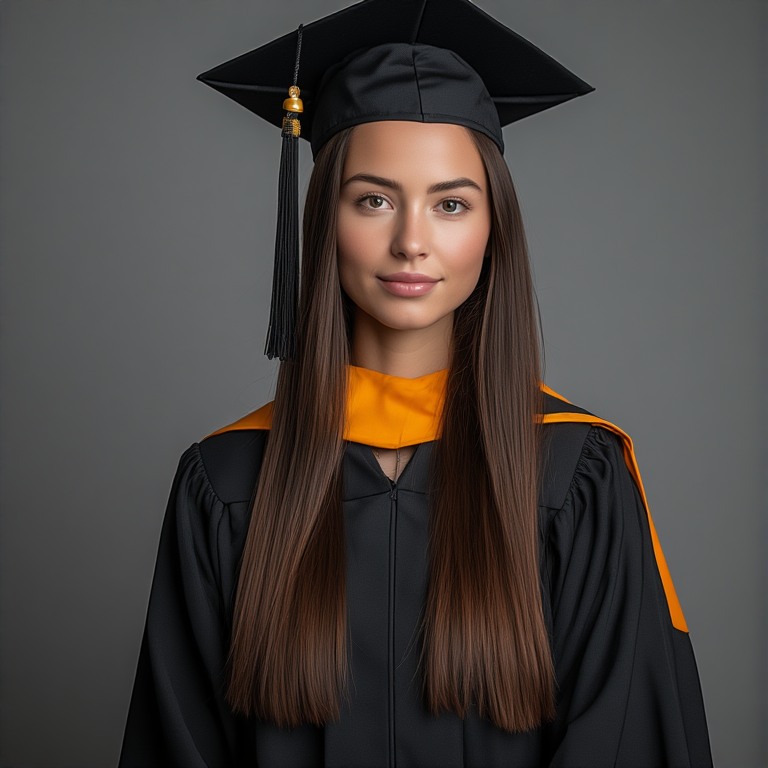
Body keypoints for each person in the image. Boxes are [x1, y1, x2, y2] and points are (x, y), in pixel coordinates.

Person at [119, 1, 713, 766]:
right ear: (322, 220)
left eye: (451, 204)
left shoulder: (577, 474)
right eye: (373, 199)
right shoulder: (228, 481)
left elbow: (627, 737)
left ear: (493, 227)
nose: (410, 241)